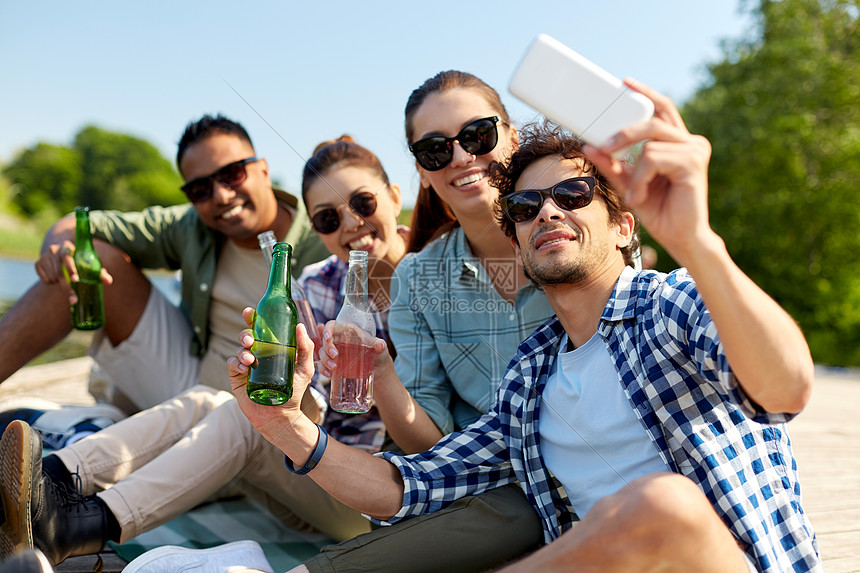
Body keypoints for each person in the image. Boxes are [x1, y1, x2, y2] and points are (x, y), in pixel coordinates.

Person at [226, 81, 821, 572]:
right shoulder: (530, 379)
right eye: (526, 208)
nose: (549, 212)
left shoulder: (670, 306)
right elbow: (408, 484)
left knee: (662, 507)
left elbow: (785, 389)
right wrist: (281, 425)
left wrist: (698, 240)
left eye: (573, 193)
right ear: (515, 239)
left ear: (623, 227)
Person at [0, 137, 407, 566]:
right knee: (213, 401)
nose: (350, 223)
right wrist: (292, 383)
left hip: (374, 493)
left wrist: (375, 375)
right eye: (327, 217)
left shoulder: (433, 279)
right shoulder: (320, 282)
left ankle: (68, 529)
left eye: (363, 202)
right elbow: (310, 413)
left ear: (395, 198)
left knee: (240, 414)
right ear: (316, 224)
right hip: (313, 471)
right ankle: (48, 480)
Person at [0, 114, 329, 414]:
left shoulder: (326, 237)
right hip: (190, 378)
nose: (221, 195)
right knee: (87, 259)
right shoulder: (192, 226)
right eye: (200, 189)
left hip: (273, 405)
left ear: (263, 169)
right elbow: (81, 224)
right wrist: (57, 249)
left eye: (232, 174)